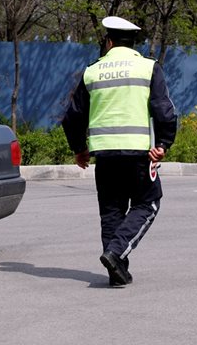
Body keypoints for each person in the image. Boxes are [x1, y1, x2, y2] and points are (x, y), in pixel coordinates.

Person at [62, 16, 177, 287]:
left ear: (109, 42)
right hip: (139, 154)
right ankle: (116, 252)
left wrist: (79, 149)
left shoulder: (92, 71)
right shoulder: (148, 67)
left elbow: (73, 116)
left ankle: (117, 271)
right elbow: (165, 110)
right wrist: (163, 143)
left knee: (111, 211)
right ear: (133, 42)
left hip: (105, 155)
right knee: (148, 203)